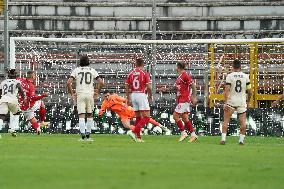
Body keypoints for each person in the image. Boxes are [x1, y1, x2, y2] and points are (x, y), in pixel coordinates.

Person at [98, 90, 170, 140]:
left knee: (146, 118)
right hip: (123, 115)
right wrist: (100, 112)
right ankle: (141, 131)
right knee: (126, 125)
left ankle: (161, 126)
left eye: (107, 96)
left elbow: (125, 100)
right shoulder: (104, 103)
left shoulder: (114, 97)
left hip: (128, 110)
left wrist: (126, 105)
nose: (107, 97)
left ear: (110, 95)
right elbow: (102, 109)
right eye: (105, 96)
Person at [67, 55, 104, 141]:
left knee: (81, 115)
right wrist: (97, 92)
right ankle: (88, 136)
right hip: (90, 94)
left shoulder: (76, 70)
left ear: (80, 62)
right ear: (88, 62)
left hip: (80, 94)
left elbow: (68, 83)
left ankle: (83, 136)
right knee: (90, 115)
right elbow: (101, 82)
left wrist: (72, 94)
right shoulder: (92, 70)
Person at [162, 62, 198, 142]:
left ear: (178, 67)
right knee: (185, 118)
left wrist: (194, 96)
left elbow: (193, 86)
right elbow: (177, 87)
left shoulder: (185, 75)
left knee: (175, 116)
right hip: (181, 99)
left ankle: (183, 133)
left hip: (184, 100)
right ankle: (193, 135)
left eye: (176, 67)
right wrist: (167, 89)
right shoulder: (180, 77)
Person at [220, 59, 252, 145]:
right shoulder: (246, 76)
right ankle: (241, 141)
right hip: (241, 101)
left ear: (232, 66)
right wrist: (248, 101)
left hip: (231, 101)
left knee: (226, 121)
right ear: (240, 66)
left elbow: (227, 90)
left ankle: (223, 140)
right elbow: (250, 92)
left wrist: (225, 102)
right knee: (243, 122)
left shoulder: (230, 76)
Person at [125, 58, 152, 142]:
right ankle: (133, 131)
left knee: (138, 117)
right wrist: (150, 96)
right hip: (141, 94)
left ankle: (138, 138)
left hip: (133, 95)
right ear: (143, 65)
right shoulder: (144, 73)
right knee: (147, 117)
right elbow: (149, 87)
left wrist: (128, 97)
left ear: (135, 64)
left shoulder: (131, 73)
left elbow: (126, 85)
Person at [14, 70, 49, 135]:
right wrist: (43, 95)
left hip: (21, 105)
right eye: (35, 75)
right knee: (42, 104)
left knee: (32, 119)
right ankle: (42, 121)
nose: (35, 77)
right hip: (29, 105)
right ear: (32, 76)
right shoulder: (30, 86)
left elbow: (14, 80)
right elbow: (33, 98)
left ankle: (38, 129)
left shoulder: (20, 80)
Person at [0, 69, 26, 137]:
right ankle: (12, 128)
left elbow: (0, 92)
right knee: (17, 113)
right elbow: (21, 90)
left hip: (3, 99)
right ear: (16, 75)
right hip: (12, 99)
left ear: (8, 75)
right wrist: (24, 99)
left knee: (2, 115)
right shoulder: (16, 81)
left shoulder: (3, 82)